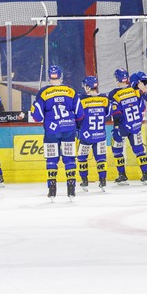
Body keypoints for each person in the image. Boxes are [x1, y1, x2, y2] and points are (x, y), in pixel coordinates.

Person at [30, 65, 83, 199]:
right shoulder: (70, 91)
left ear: (49, 77)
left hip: (51, 131)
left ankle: (52, 188)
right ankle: (71, 187)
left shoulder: (43, 92)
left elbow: (37, 117)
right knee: (69, 159)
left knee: (52, 160)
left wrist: (34, 107)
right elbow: (80, 114)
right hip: (68, 130)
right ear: (61, 76)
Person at [107, 68, 147, 185]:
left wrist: (116, 128)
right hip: (136, 126)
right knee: (139, 150)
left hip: (122, 126)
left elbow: (116, 113)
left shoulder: (114, 93)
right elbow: (142, 107)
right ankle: (146, 174)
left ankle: (122, 175)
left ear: (117, 79)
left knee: (117, 150)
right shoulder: (135, 90)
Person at [77, 76, 111, 192]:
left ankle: (85, 181)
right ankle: (103, 180)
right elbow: (108, 115)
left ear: (88, 87)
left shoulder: (81, 99)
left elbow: (79, 117)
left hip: (86, 135)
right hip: (100, 134)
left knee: (82, 158)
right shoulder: (104, 99)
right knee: (101, 158)